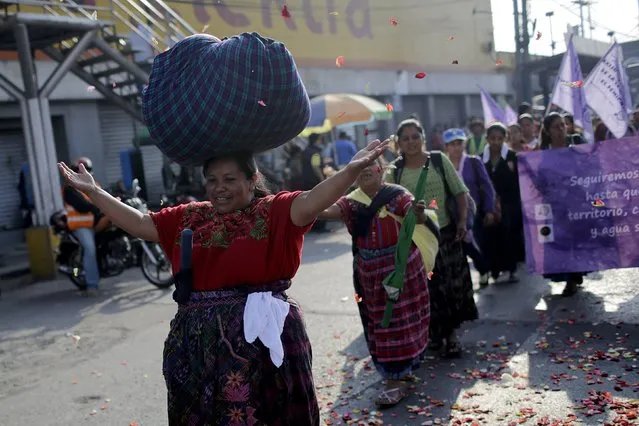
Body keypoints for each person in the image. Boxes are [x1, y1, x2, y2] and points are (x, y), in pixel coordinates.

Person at [58, 140, 388, 425]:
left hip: (258, 343)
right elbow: (142, 223)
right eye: (212, 180)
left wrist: (349, 171)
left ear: (252, 179)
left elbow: (313, 200)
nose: (220, 187)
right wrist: (94, 192)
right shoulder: (191, 215)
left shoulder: (273, 211)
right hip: (196, 347)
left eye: (230, 179)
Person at [319, 157, 439, 407]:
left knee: (401, 322)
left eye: (369, 166)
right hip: (370, 275)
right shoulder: (352, 202)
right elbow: (326, 212)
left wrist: (418, 214)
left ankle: (398, 378)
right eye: (358, 168)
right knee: (382, 325)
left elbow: (415, 218)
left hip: (401, 270)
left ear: (380, 170)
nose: (364, 171)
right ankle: (396, 376)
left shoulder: (398, 195)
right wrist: (303, 204)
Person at [384, 118, 478, 358]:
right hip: (415, 240)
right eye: (405, 138)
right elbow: (390, 206)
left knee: (449, 286)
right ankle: (435, 334)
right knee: (426, 289)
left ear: (422, 138)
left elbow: (459, 193)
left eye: (415, 136)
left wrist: (461, 222)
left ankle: (452, 336)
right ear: (399, 143)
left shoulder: (437, 159)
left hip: (444, 234)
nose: (411, 142)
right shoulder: (395, 170)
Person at [540, 113, 589, 296]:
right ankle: (569, 277)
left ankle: (574, 277)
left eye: (563, 125)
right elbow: (540, 179)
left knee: (576, 240)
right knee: (560, 241)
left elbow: (589, 167)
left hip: (577, 202)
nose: (561, 129)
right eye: (556, 127)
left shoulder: (576, 144)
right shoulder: (544, 153)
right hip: (556, 206)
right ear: (548, 131)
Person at [442, 128, 497, 287]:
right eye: (452, 144)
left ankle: (483, 270)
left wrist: (489, 208)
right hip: (452, 213)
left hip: (474, 211)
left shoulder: (473, 162)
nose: (456, 147)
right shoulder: (443, 165)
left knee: (473, 242)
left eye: (459, 143)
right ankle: (476, 272)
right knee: (462, 245)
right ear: (447, 147)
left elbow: (487, 186)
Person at [482, 123, 524, 283]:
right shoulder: (480, 159)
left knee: (509, 236)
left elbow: (520, 181)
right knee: (491, 237)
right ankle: (495, 270)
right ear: (487, 139)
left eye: (499, 138)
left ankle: (512, 270)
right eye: (492, 138)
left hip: (509, 204)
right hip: (489, 206)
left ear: (504, 139)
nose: (496, 142)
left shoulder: (513, 157)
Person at [61, 157, 104, 296]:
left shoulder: (93, 184)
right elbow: (82, 205)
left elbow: (104, 196)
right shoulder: (70, 189)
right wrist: (99, 207)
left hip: (94, 223)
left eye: (86, 170)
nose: (83, 173)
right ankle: (92, 285)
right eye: (78, 170)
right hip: (81, 226)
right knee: (90, 249)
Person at [302, 133, 329, 232]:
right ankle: (320, 226)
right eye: (320, 139)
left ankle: (311, 226)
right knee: (320, 203)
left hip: (306, 181)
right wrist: (322, 180)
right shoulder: (315, 152)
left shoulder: (305, 151)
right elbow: (316, 166)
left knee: (310, 204)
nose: (321, 141)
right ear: (316, 140)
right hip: (315, 181)